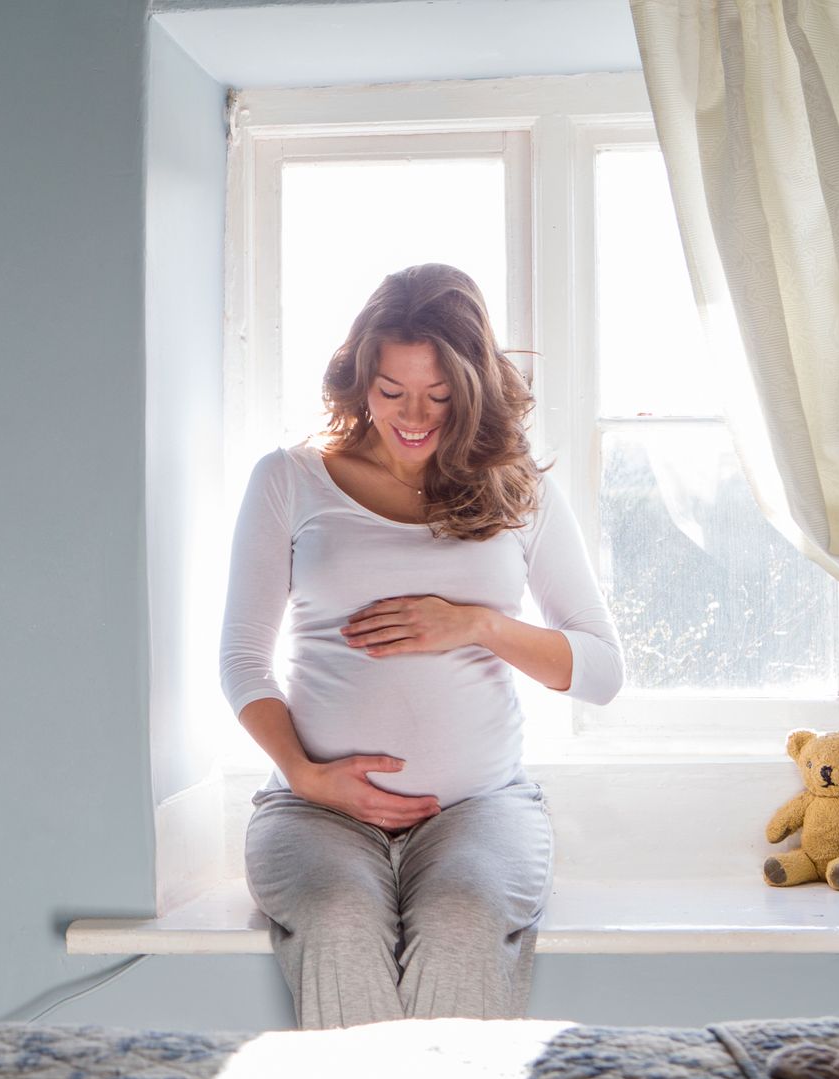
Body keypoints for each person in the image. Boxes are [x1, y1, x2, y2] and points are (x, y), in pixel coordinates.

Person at [220, 263, 623, 1029]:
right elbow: (242, 661)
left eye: (439, 395)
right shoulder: (289, 480)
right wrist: (308, 776)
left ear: (472, 390)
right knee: (337, 919)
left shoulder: (517, 492)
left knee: (463, 919)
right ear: (359, 379)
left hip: (479, 808)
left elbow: (601, 672)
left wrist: (475, 623)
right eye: (391, 390)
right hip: (315, 812)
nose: (413, 415)